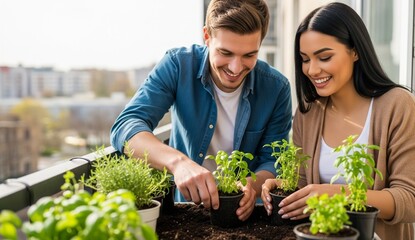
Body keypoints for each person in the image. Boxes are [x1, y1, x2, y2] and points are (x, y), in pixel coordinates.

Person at [110, 0, 292, 221]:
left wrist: (252, 187)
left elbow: (272, 159)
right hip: (186, 211)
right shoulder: (178, 65)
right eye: (225, 52)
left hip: (246, 217)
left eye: (249, 55)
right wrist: (179, 164)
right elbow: (127, 126)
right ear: (207, 36)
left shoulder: (277, 88)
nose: (236, 68)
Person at [261, 2, 415, 239]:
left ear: (355, 51)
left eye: (324, 57)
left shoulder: (397, 105)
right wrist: (279, 186)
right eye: (305, 59)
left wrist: (336, 194)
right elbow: (305, 185)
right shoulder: (308, 113)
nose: (312, 70)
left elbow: (409, 199)